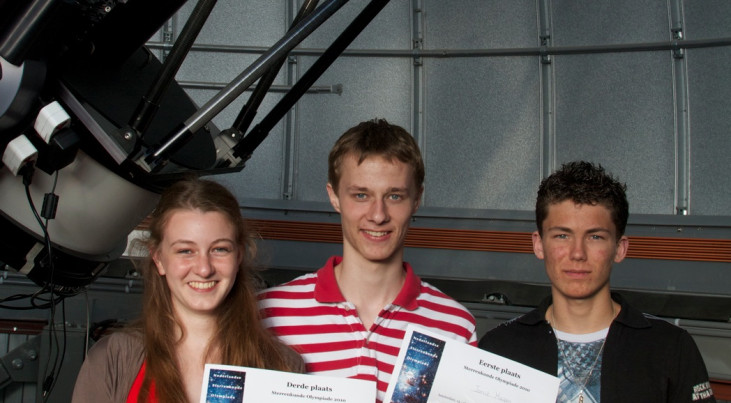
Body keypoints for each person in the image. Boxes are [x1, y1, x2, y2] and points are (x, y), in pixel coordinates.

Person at [258, 119, 477, 402]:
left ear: (417, 199)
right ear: (334, 197)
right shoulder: (267, 313)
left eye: (394, 196)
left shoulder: (456, 327)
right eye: (361, 195)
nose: (378, 215)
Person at [479, 161, 715, 403]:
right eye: (562, 235)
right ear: (539, 244)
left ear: (619, 248)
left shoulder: (670, 348)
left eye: (595, 236)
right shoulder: (500, 348)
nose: (577, 253)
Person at [72, 178, 303, 402]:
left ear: (239, 255)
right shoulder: (114, 359)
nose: (204, 269)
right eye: (185, 251)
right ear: (159, 258)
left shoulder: (283, 367)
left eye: (220, 249)